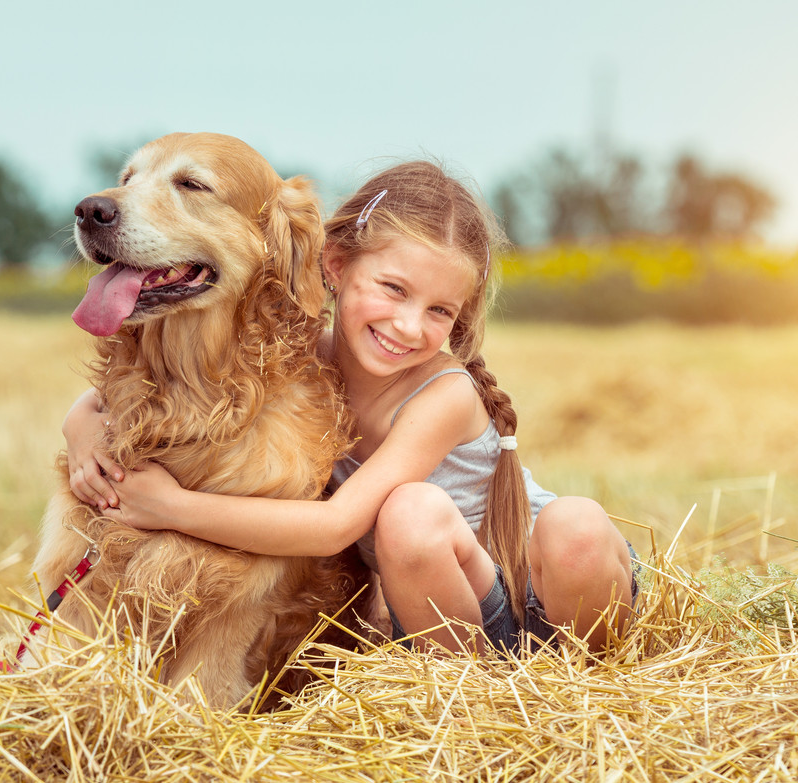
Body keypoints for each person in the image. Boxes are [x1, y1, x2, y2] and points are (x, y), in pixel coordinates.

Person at [61, 160, 637, 655]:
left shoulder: (445, 394)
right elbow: (115, 398)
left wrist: (173, 508)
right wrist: (81, 432)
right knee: (410, 520)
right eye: (393, 289)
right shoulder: (293, 361)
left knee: (559, 522)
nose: (409, 326)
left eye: (441, 311)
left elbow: (336, 528)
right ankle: (473, 704)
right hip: (457, 620)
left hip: (551, 587)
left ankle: (587, 694)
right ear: (335, 265)